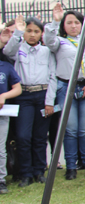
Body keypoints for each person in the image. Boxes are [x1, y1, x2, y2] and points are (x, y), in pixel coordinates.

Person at [44, 3, 85, 180]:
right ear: (64, 26)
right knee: (70, 130)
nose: (74, 26)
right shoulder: (59, 42)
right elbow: (49, 41)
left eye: (77, 22)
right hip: (66, 88)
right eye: (69, 23)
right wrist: (55, 21)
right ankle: (71, 167)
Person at [1, 15, 56, 187]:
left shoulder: (47, 52)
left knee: (40, 137)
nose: (32, 35)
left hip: (42, 95)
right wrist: (17, 30)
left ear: (41, 34)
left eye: (36, 31)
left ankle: (39, 171)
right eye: (29, 31)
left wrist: (49, 101)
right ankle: (25, 173)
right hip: (23, 96)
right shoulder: (18, 49)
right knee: (23, 136)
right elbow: (7, 51)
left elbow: (52, 77)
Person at [0, 53, 21, 194]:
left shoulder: (5, 67)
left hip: (2, 113)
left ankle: (1, 180)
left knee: (0, 149)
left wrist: (3, 96)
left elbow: (17, 88)